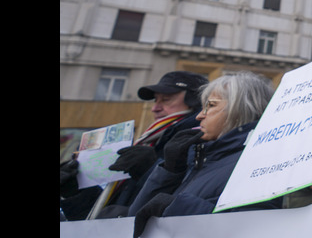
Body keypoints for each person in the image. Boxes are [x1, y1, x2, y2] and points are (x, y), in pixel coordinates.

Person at [129, 72, 278, 236]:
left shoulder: (258, 162)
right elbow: (135, 218)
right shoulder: (201, 157)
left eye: (211, 106)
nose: (200, 115)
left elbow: (252, 230)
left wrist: (177, 207)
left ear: (243, 109)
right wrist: (169, 171)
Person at [59, 71, 209, 220]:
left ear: (195, 102)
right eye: (156, 100)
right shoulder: (151, 141)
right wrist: (74, 191)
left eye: (166, 99)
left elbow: (184, 201)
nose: (155, 108)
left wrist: (149, 170)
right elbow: (98, 215)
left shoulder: (200, 143)